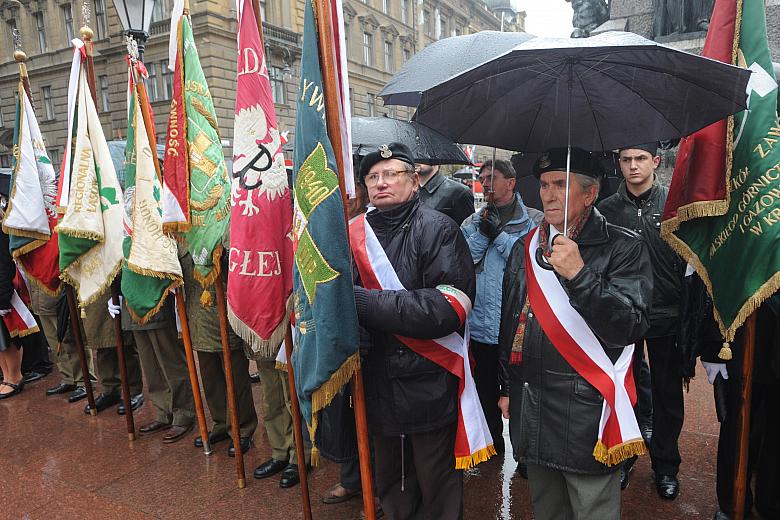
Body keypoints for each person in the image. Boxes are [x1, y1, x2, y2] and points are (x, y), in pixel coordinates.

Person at [498, 147, 652, 520]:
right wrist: (506, 386)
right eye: (545, 185)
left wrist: (581, 276)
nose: (548, 194)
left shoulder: (624, 246)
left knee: (592, 509)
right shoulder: (527, 245)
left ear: (590, 193)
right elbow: (511, 322)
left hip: (586, 403)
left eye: (561, 185)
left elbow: (630, 325)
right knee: (547, 509)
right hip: (531, 401)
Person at [351, 143, 476, 519]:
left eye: (391, 174)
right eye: (373, 176)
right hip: (375, 378)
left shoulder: (439, 229)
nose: (381, 183)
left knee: (435, 481)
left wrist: (366, 304)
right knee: (392, 481)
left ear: (414, 180)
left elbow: (447, 307)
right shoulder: (353, 233)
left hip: (426, 381)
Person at [598, 143, 685, 498]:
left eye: (640, 159)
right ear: (619, 164)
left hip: (666, 312)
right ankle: (626, 458)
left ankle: (666, 465)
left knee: (666, 394)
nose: (633, 166)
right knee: (624, 390)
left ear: (656, 161)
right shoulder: (606, 210)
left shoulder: (675, 205)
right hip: (622, 314)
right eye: (626, 160)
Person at [681, 273, 780, 520]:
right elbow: (724, 272)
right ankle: (733, 502)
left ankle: (772, 502)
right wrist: (714, 348)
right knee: (736, 428)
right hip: (744, 342)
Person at [461, 159, 540, 455]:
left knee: (520, 392)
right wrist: (483, 231)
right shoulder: (472, 221)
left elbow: (526, 263)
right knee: (484, 392)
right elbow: (462, 260)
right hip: (481, 324)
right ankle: (492, 447)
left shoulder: (534, 219)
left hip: (518, 325)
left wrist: (500, 236)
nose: (487, 183)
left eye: (492, 177)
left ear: (511, 182)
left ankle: (525, 452)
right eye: (483, 178)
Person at [185, 252, 258, 457]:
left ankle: (242, 428)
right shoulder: (187, 223)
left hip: (224, 304)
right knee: (210, 376)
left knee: (235, 375)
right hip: (198, 306)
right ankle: (221, 423)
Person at [107, 294, 196, 443]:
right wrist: (118, 293)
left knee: (170, 361)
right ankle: (163, 411)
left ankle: (183, 413)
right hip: (132, 300)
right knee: (150, 364)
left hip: (156, 296)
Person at [80, 287, 144, 415]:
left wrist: (120, 292)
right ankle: (110, 389)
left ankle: (133, 391)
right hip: (93, 288)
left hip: (113, 286)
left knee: (125, 345)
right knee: (102, 343)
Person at [253, 356, 311, 488]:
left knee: (293, 393)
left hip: (290, 337)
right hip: (266, 340)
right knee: (271, 393)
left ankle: (301, 454)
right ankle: (280, 451)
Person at [35, 284, 88, 403]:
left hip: (58, 296)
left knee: (71, 341)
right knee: (56, 345)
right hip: (39, 300)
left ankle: (84, 381)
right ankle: (68, 378)